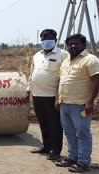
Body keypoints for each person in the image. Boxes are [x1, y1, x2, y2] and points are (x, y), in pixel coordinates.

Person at [55, 34, 99, 173]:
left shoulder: (90, 60)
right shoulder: (66, 61)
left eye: (76, 44)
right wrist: (57, 98)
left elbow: (96, 80)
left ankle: (83, 162)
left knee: (82, 133)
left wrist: (90, 101)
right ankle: (72, 157)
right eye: (70, 44)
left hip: (80, 104)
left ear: (83, 45)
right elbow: (61, 81)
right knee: (69, 132)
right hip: (65, 103)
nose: (73, 46)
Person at [26, 29, 69, 160]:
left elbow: (65, 76)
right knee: (43, 122)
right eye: (43, 38)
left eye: (48, 38)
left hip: (52, 96)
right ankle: (46, 146)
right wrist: (29, 90)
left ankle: (56, 151)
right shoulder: (36, 55)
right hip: (37, 95)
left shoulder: (63, 54)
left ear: (55, 40)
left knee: (55, 124)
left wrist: (59, 96)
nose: (45, 41)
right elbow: (32, 74)